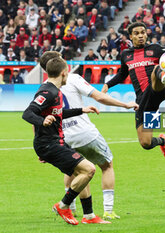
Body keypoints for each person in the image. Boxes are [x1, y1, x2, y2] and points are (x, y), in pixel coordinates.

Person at [39, 51, 138, 220]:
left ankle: (72, 208)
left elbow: (41, 118)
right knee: (107, 165)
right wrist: (125, 105)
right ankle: (108, 209)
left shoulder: (44, 88)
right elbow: (99, 96)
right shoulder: (73, 78)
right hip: (85, 133)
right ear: (59, 64)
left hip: (63, 138)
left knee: (76, 171)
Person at [22, 57, 110, 225]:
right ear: (63, 73)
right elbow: (27, 113)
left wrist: (81, 110)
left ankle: (89, 216)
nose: (67, 77)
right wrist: (42, 121)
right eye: (67, 74)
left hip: (54, 142)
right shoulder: (48, 92)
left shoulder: (55, 91)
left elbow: (58, 113)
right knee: (89, 170)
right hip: (49, 144)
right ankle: (64, 205)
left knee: (81, 172)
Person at [102, 22, 165, 157]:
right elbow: (122, 74)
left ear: (146, 34)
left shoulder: (155, 49)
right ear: (130, 36)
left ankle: (164, 76)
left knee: (158, 68)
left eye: (143, 32)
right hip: (144, 102)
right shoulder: (126, 55)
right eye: (137, 33)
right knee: (146, 143)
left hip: (158, 91)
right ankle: (161, 141)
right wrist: (107, 85)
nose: (141, 36)